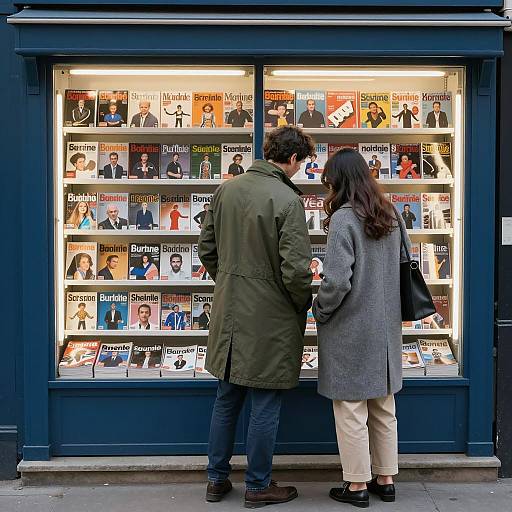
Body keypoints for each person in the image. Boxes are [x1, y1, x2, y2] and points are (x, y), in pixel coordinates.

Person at [198, 126, 314, 507]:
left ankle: (216, 480)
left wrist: (230, 281)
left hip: (230, 309)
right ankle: (258, 485)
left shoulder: (226, 189)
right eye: (302, 163)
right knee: (265, 400)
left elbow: (206, 249)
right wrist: (301, 303)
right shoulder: (286, 199)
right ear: (294, 159)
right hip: (271, 317)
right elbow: (296, 270)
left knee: (227, 396)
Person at [312, 148, 411, 508]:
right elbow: (405, 265)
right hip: (385, 327)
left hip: (351, 325)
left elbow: (336, 281)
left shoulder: (343, 219)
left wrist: (319, 309)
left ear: (337, 181)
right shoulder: (390, 213)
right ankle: (386, 479)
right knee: (384, 405)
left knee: (352, 408)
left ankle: (356, 486)